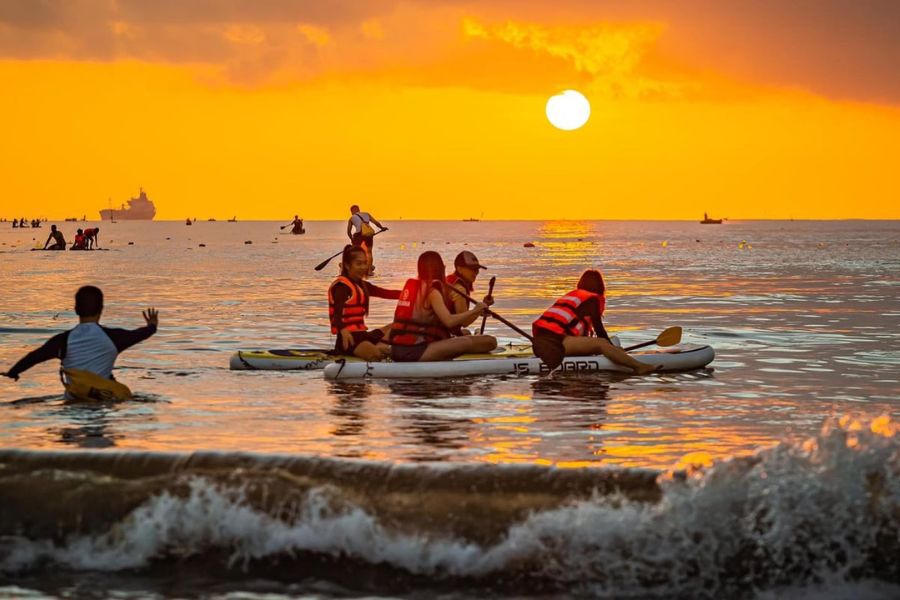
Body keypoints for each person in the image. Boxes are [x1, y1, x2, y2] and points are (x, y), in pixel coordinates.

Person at [2, 286, 159, 399]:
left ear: (76, 309)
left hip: (73, 400)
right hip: (105, 401)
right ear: (101, 309)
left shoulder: (63, 340)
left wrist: (14, 371)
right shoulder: (114, 338)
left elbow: (34, 356)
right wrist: (151, 326)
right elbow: (140, 334)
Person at [532, 269, 658, 375]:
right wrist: (613, 349)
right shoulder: (592, 300)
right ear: (600, 286)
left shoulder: (575, 296)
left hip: (541, 344)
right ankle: (639, 367)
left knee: (601, 345)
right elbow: (600, 331)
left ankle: (617, 355)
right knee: (602, 343)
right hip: (555, 344)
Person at [390, 251, 496, 362]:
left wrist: (479, 311)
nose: (444, 267)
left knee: (466, 335)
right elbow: (449, 321)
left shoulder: (412, 287)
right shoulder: (432, 292)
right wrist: (476, 310)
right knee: (489, 341)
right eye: (442, 264)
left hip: (396, 349)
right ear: (438, 267)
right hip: (416, 351)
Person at [328, 245, 402, 361]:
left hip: (363, 336)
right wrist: (343, 331)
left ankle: (379, 348)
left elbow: (387, 293)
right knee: (378, 356)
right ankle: (378, 351)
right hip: (349, 341)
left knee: (397, 326)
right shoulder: (342, 287)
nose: (363, 267)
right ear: (347, 265)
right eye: (359, 264)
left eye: (365, 263)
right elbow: (337, 315)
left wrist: (411, 293)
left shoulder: (363, 286)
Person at [446, 250, 490, 335]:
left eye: (477, 269)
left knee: (467, 333)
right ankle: (478, 336)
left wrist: (483, 306)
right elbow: (465, 322)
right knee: (491, 341)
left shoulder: (450, 282)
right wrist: (479, 309)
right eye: (472, 269)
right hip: (445, 337)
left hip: (447, 333)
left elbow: (464, 316)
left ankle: (477, 336)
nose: (476, 272)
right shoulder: (459, 289)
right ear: (459, 269)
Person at [346, 205, 387, 275]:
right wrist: (382, 228)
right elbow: (376, 222)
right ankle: (369, 271)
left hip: (358, 235)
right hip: (368, 234)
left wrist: (352, 239)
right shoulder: (366, 214)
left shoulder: (351, 218)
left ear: (352, 211)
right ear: (358, 209)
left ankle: (353, 268)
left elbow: (348, 231)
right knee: (369, 252)